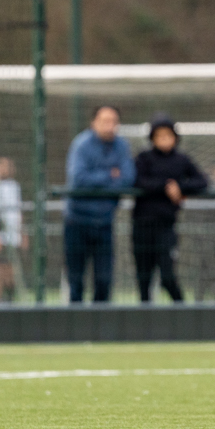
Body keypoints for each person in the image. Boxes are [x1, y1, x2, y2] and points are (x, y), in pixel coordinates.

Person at [132, 114, 207, 303]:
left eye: (168, 135)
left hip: (166, 226)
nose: (164, 140)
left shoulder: (181, 160)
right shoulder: (144, 158)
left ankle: (182, 312)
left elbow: (202, 181)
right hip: (142, 225)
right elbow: (138, 181)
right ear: (152, 138)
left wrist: (180, 188)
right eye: (159, 135)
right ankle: (145, 321)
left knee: (167, 275)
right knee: (143, 277)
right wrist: (166, 186)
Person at [64, 105, 135, 303]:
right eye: (105, 121)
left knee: (104, 280)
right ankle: (76, 328)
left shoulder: (122, 146)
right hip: (77, 221)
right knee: (76, 280)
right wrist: (109, 176)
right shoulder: (81, 145)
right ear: (93, 122)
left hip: (104, 222)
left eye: (113, 121)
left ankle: (99, 330)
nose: (109, 126)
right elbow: (78, 179)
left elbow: (127, 178)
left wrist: (101, 181)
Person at [0, 156, 27, 302]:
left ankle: (10, 298)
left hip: (13, 235)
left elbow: (19, 211)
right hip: (0, 235)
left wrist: (23, 233)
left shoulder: (15, 186)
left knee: (11, 268)